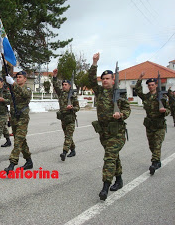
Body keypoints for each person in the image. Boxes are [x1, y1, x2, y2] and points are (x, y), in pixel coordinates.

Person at [89, 53, 131, 201]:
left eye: (108, 78)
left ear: (113, 80)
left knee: (109, 158)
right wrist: (94, 63)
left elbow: (128, 110)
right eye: (103, 79)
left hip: (117, 133)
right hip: (104, 132)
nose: (105, 81)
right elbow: (90, 80)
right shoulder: (99, 92)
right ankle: (119, 180)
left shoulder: (119, 93)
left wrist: (121, 115)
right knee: (114, 157)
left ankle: (105, 187)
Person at [135, 72, 170, 175]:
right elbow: (137, 90)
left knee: (157, 144)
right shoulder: (146, 97)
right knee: (152, 145)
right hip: (150, 125)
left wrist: (165, 111)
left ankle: (154, 163)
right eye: (149, 85)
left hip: (159, 125)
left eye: (152, 85)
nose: (150, 86)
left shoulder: (162, 98)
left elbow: (169, 110)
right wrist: (139, 79)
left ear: (156, 85)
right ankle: (157, 160)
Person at [4, 71, 33, 173]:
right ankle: (29, 161)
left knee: (17, 142)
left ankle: (12, 164)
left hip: (22, 119)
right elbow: (9, 90)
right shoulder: (14, 88)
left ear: (25, 79)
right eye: (17, 77)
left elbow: (24, 94)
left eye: (20, 77)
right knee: (21, 141)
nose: (18, 79)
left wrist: (13, 83)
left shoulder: (27, 89)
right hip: (14, 118)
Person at [53, 69, 80, 161]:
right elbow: (55, 86)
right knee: (67, 136)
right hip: (63, 119)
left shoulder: (73, 96)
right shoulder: (61, 94)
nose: (64, 86)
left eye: (66, 85)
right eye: (63, 85)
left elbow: (78, 108)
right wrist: (55, 77)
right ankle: (73, 150)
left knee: (68, 136)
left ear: (69, 86)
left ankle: (64, 152)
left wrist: (72, 107)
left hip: (71, 119)